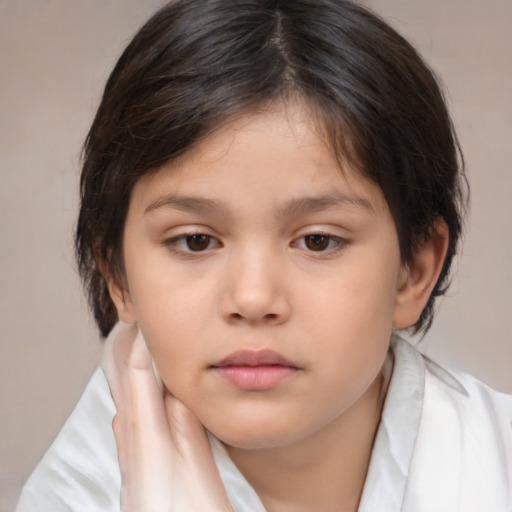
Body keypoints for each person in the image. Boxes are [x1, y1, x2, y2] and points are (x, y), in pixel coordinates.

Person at [16, 0, 512, 511]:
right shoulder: (71, 495)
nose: (253, 299)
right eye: (196, 241)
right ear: (118, 276)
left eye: (318, 240)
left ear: (415, 271)